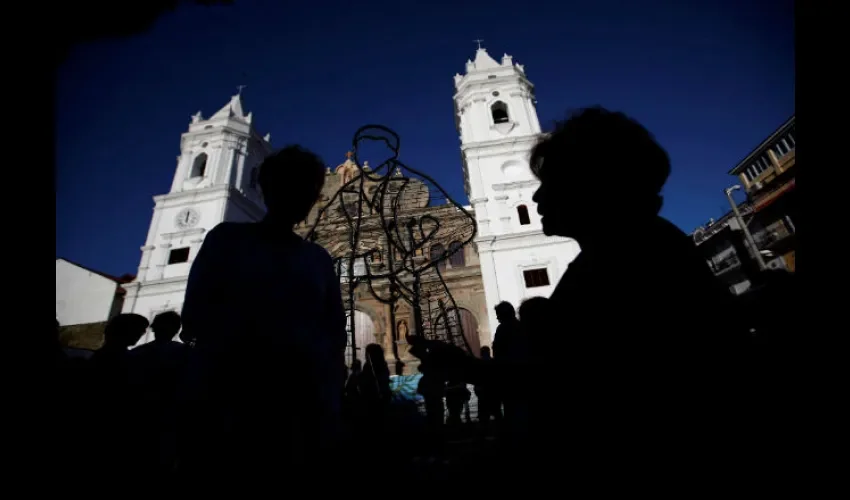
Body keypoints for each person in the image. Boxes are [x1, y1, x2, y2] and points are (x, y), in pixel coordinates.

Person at [528, 106, 749, 477]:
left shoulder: (628, 262)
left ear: (591, 184)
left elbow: (588, 391)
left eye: (549, 183)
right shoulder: (625, 252)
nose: (536, 199)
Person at [181, 145, 347, 481]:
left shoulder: (315, 258)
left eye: (308, 188)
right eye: (294, 185)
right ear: (268, 187)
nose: (302, 196)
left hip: (292, 404)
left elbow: (334, 331)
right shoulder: (229, 240)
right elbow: (195, 316)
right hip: (235, 398)